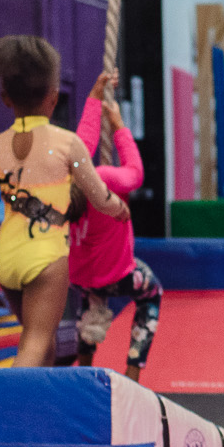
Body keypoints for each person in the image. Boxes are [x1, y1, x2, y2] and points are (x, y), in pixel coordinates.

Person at [0, 37, 129, 368]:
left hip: (7, 261)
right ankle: (9, 413)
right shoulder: (67, 145)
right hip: (46, 261)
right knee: (34, 343)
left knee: (42, 341)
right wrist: (117, 208)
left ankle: (38, 415)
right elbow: (97, 194)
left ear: (6, 98)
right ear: (53, 97)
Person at [69, 69, 163, 378]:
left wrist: (95, 97)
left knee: (91, 294)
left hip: (81, 277)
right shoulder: (104, 181)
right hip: (119, 275)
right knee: (152, 293)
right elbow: (135, 172)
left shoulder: (61, 183)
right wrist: (120, 127)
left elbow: (82, 144)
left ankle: (84, 363)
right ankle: (134, 366)